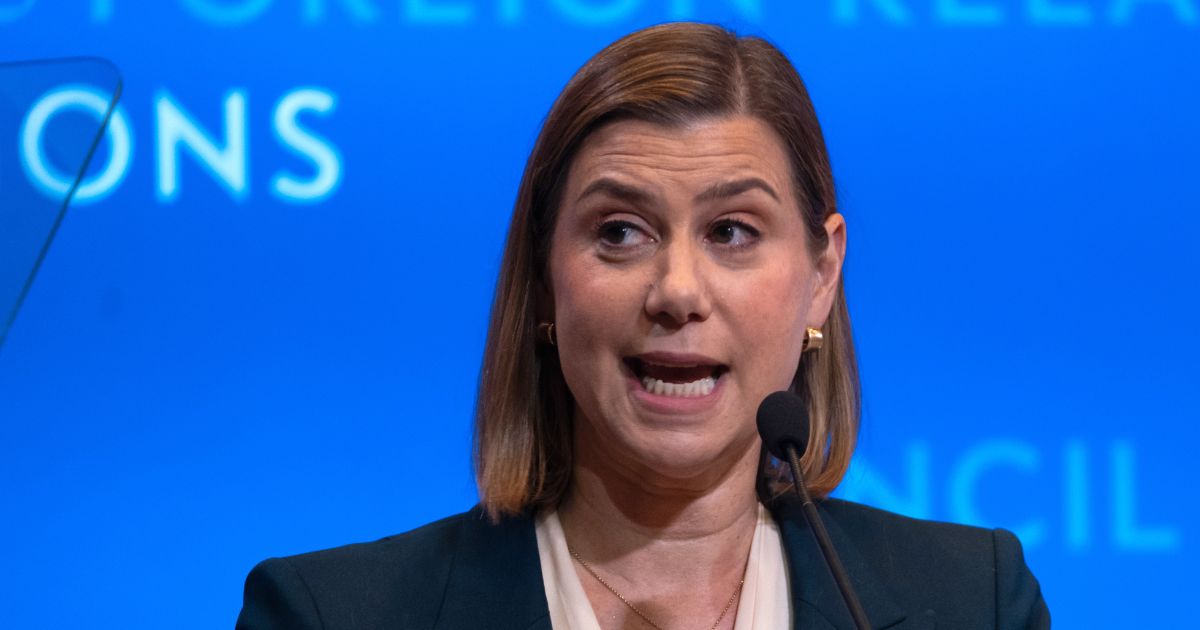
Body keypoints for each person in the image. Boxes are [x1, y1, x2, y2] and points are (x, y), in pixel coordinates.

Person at [236, 22, 1050, 630]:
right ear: (545, 283)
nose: (677, 291)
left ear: (821, 276)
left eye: (733, 231)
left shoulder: (970, 601)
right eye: (620, 232)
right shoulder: (329, 616)